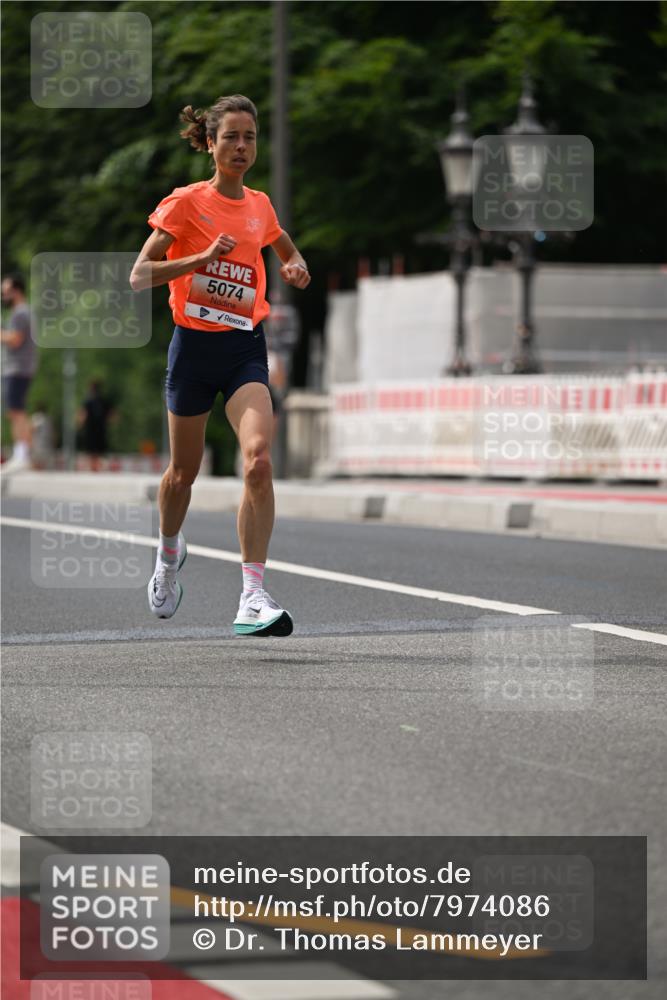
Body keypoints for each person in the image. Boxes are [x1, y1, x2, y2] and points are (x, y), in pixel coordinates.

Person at [130, 94, 310, 636]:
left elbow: (283, 248)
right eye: (230, 136)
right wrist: (201, 258)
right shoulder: (185, 203)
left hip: (243, 349)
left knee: (257, 460)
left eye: (249, 137)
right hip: (192, 349)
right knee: (183, 475)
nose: (240, 146)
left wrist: (296, 264)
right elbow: (141, 274)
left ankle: (252, 596)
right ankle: (167, 556)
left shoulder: (259, 205)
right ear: (210, 144)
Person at [1, 272, 37, 472]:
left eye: (5, 292)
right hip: (21, 368)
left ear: (16, 291)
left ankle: (21, 455)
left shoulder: (20, 313)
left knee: (17, 411)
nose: (3, 297)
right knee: (16, 411)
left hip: (17, 368)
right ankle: (23, 454)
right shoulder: (23, 312)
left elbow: (15, 339)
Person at [77, 379, 115, 471]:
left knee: (92, 450)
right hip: (100, 428)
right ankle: (96, 467)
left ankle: (93, 467)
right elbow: (113, 415)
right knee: (98, 449)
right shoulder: (104, 401)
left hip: (91, 429)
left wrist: (79, 424)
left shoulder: (88, 401)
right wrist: (107, 421)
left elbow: (83, 415)